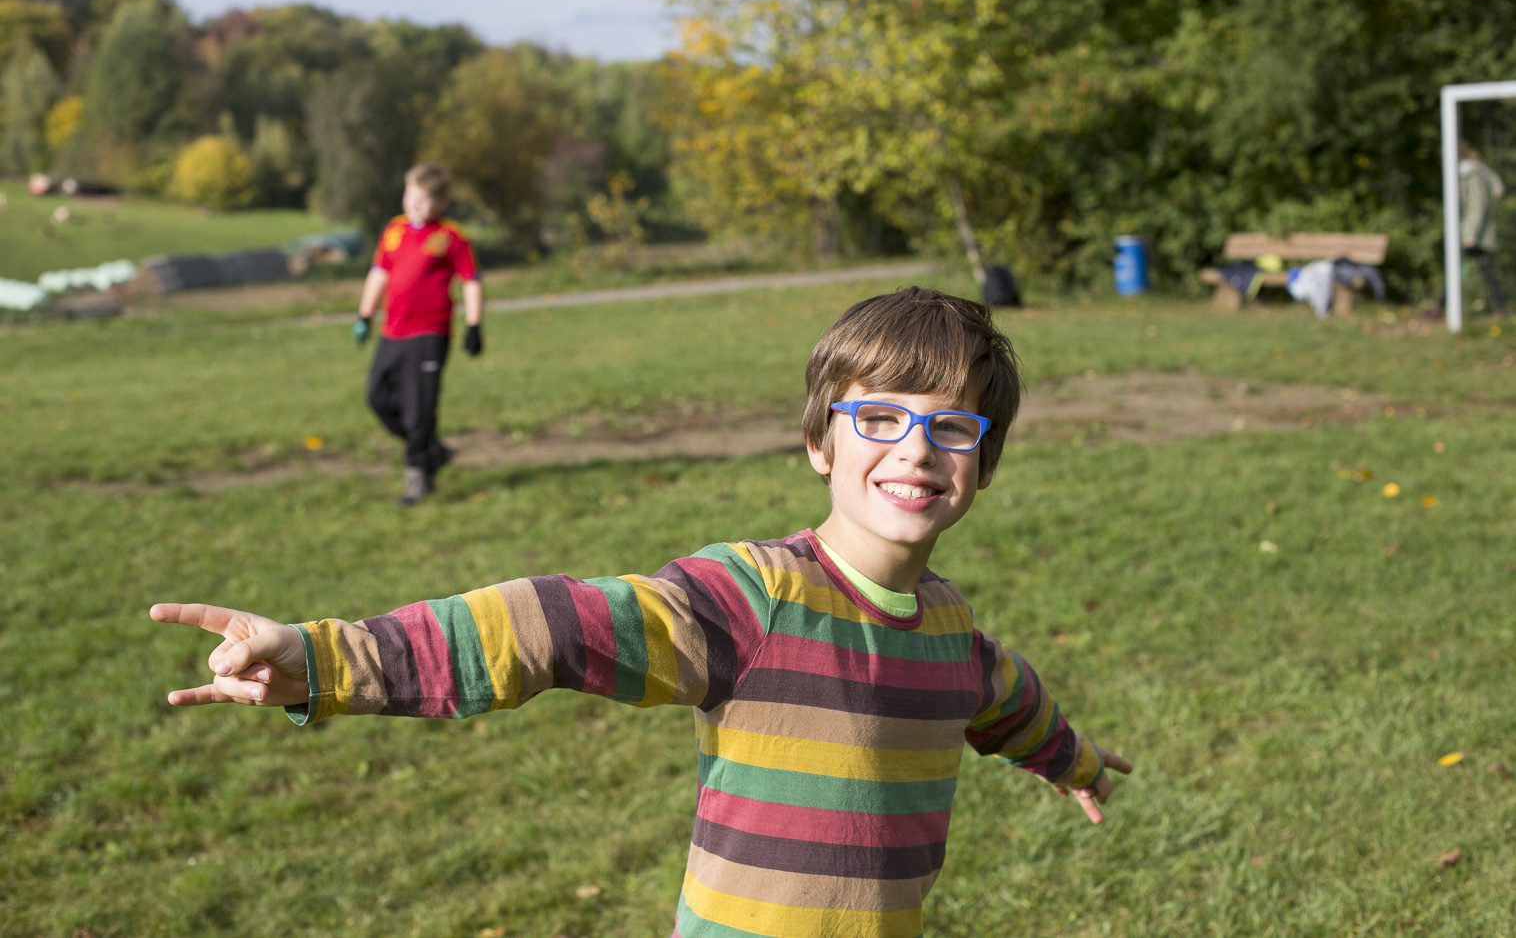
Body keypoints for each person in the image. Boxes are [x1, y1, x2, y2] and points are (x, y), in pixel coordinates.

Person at [150, 287, 1131, 938]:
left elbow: (1002, 697)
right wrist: (324, 659)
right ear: (819, 443)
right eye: (879, 417)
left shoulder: (948, 630)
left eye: (951, 427)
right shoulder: (754, 597)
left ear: (982, 465)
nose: (915, 449)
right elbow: (546, 625)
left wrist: (1068, 758)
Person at [353, 163, 484, 504]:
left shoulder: (450, 236)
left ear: (443, 202)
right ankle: (431, 448)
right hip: (393, 330)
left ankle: (418, 475)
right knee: (376, 397)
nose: (415, 204)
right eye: (411, 196)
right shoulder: (394, 231)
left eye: (425, 199)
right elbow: (379, 272)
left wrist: (474, 325)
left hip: (429, 332)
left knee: (418, 408)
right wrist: (365, 315)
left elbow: (471, 280)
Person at [1431, 141, 1507, 321]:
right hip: (1470, 232)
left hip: (1474, 235)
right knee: (1474, 269)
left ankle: (1440, 308)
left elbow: (1477, 206)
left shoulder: (1472, 174)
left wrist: (1470, 234)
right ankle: (1440, 307)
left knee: (1466, 269)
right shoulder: (1466, 173)